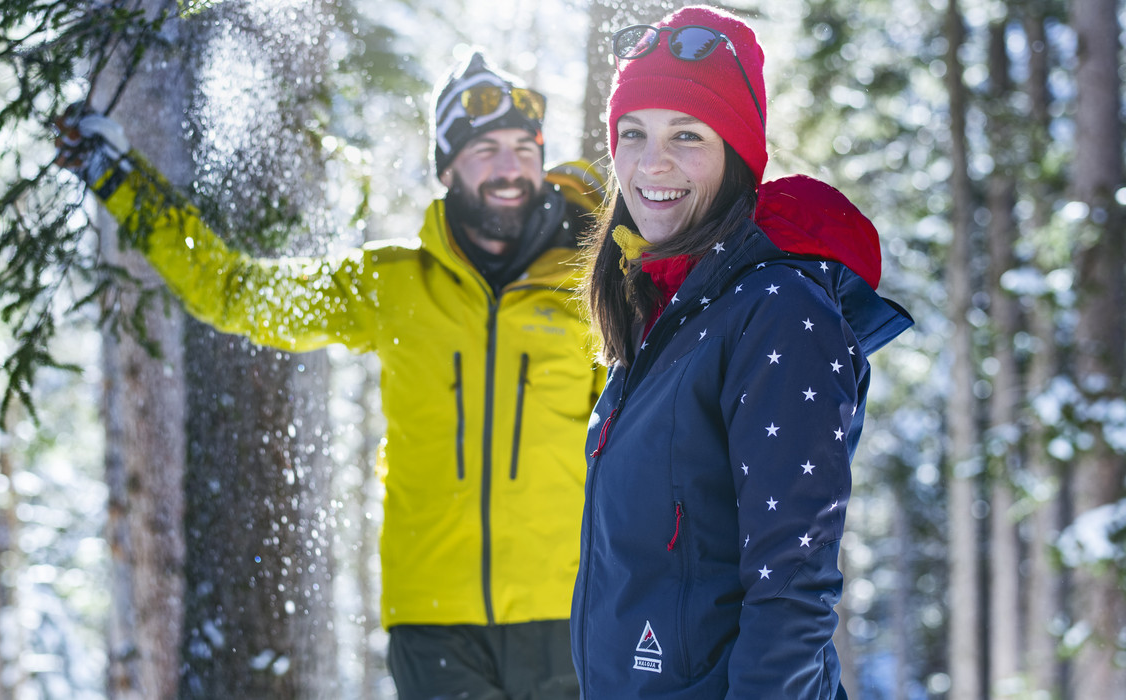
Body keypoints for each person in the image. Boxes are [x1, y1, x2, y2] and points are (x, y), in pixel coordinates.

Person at [56, 50, 605, 699]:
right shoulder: (392, 285)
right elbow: (232, 292)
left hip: (570, 616)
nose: (509, 168)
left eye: (522, 147)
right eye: (484, 149)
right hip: (434, 628)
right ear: (447, 167)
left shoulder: (594, 289)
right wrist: (120, 179)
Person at [569, 6, 913, 699]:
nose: (652, 162)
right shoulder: (665, 309)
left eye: (686, 134)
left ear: (737, 154)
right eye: (633, 133)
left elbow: (792, 585)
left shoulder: (778, 311)